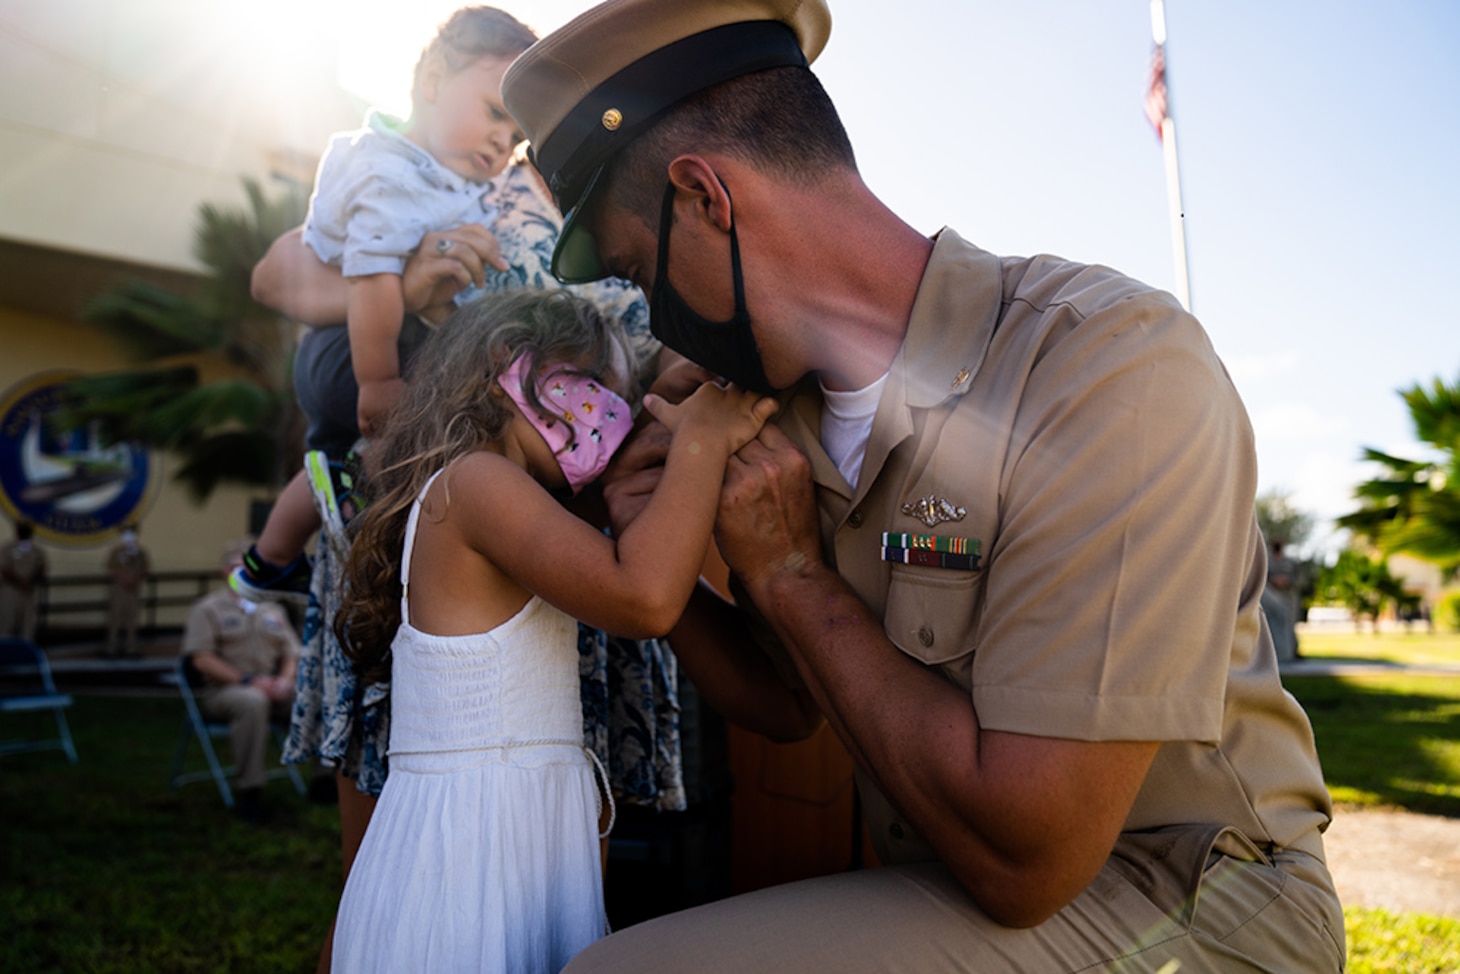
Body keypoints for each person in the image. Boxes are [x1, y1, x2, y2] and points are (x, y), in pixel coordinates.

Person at [498, 1, 1346, 971]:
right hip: (958, 872)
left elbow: (1026, 856)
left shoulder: (1108, 371)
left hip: (1187, 897)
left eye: (643, 272)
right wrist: (644, 539)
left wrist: (788, 574)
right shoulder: (783, 407)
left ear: (706, 199)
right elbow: (788, 701)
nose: (658, 323)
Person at [327, 289, 776, 973]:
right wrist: (704, 439)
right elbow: (645, 599)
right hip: (471, 865)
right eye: (601, 391)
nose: (612, 420)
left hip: (521, 840)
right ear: (513, 362)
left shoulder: (508, 500)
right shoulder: (475, 485)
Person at [233, 5, 652, 603]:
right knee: (355, 466)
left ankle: (280, 557)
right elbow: (278, 275)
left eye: (514, 134)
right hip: (376, 370)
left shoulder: (465, 176)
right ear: (433, 82)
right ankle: (299, 554)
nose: (501, 142)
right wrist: (388, 344)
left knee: (348, 466)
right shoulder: (393, 173)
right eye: (493, 114)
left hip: (519, 503)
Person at [183, 541, 301, 823]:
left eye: (251, 568)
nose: (247, 573)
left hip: (272, 688)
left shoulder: (271, 609)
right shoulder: (208, 609)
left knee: (313, 698)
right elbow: (202, 659)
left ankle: (325, 781)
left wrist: (284, 682)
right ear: (226, 572)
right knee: (252, 702)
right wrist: (248, 681)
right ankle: (250, 789)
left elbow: (291, 652)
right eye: (239, 567)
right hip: (226, 691)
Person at [104, 523, 150, 658]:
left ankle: (131, 648)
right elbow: (110, 569)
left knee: (132, 619)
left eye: (132, 534)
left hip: (134, 591)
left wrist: (135, 579)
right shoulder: (116, 552)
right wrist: (123, 579)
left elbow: (146, 569)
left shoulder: (140, 553)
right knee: (115, 618)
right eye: (126, 535)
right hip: (118, 590)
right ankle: (112, 647)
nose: (129, 538)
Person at [0, 519, 46, 642]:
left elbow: (41, 568)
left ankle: (26, 652)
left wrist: (29, 582)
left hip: (29, 592)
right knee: (7, 622)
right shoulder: (8, 548)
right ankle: (5, 652)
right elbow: (4, 570)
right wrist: (21, 583)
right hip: (11, 591)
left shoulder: (36, 551)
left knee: (28, 625)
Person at [1263, 539, 1301, 661]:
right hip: (1271, 597)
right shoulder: (1267, 561)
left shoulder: (1289, 562)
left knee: (1290, 624)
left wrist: (1286, 581)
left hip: (1288, 597)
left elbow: (1299, 578)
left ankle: (1291, 652)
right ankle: (1275, 654)